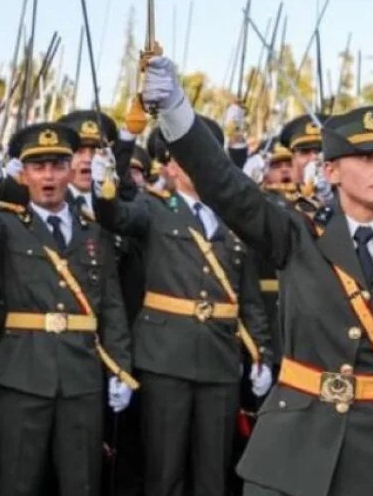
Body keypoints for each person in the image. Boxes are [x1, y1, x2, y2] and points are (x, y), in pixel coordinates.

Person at [140, 56, 373, 496]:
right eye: (368, 158)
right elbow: (226, 186)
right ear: (331, 171)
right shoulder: (297, 233)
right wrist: (176, 109)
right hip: (291, 451)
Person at [94, 114, 274, 496]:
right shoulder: (153, 207)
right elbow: (113, 213)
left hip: (220, 359)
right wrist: (113, 162)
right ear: (171, 167)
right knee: (165, 471)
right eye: (189, 156)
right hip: (165, 358)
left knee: (214, 472)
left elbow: (249, 297)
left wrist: (261, 352)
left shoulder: (234, 216)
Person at [0, 122, 135, 496]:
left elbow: (111, 303)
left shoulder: (94, 229)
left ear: (71, 171)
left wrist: (120, 366)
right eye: (38, 167)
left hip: (81, 373)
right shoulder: (4, 223)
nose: (49, 176)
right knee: (18, 481)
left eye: (57, 166)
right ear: (23, 175)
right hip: (24, 371)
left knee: (81, 481)